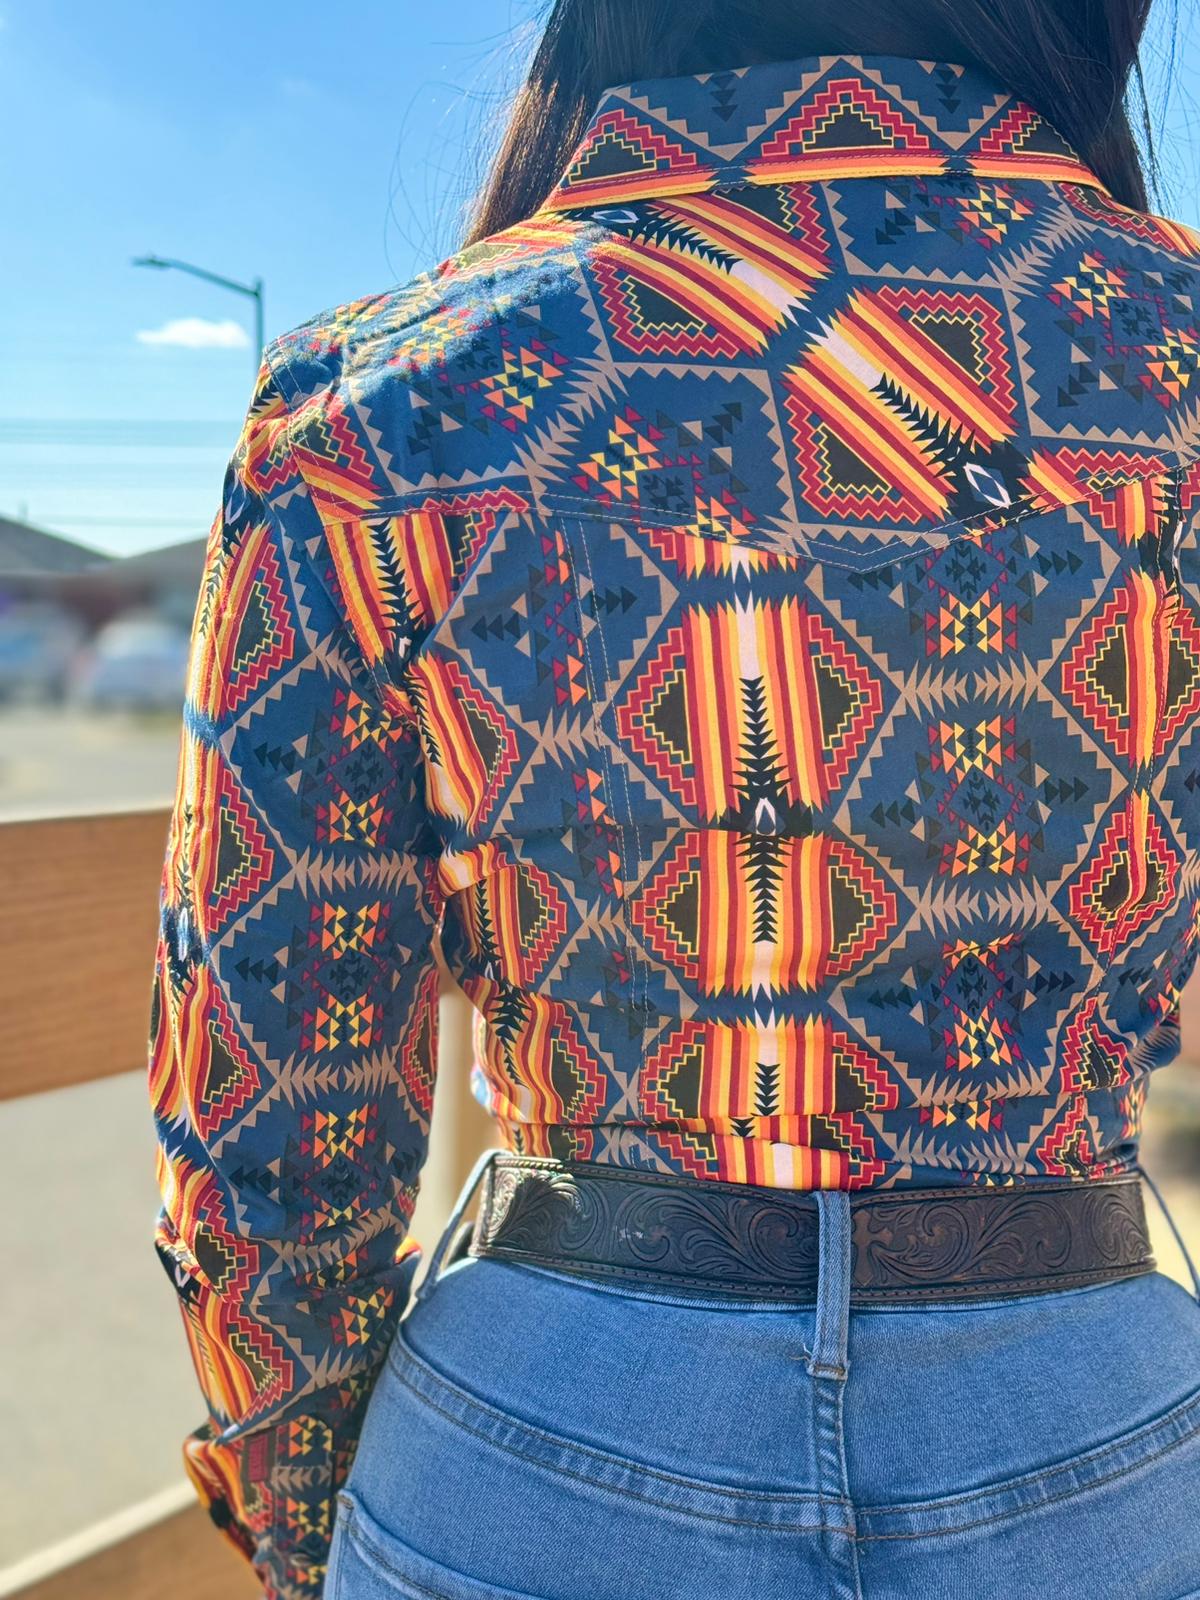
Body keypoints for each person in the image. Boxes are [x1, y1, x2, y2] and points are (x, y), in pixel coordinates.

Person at [146, 2, 1200, 1596]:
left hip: (540, 1445)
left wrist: (314, 1513)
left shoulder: (380, 404)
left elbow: (269, 1103)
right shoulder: (1170, 351)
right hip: (1107, 1447)